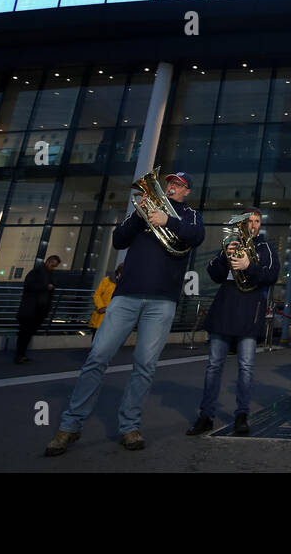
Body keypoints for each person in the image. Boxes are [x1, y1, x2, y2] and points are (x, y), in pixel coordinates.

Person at [45, 170, 205, 456]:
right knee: (97, 357)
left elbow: (197, 236)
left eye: (178, 185)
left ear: (186, 191)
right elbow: (119, 240)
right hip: (126, 296)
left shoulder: (190, 215)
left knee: (145, 366)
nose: (171, 186)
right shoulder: (142, 212)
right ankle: (70, 426)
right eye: (169, 182)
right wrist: (139, 216)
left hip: (162, 301)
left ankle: (129, 426)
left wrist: (167, 220)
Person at [187, 208, 281, 437]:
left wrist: (249, 266)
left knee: (246, 367)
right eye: (249, 221)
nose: (253, 225)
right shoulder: (231, 243)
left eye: (257, 221)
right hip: (225, 305)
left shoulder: (266, 247)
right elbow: (214, 274)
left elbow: (271, 276)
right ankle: (205, 416)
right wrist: (224, 258)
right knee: (213, 366)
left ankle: (242, 415)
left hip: (250, 309)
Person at [15, 255, 60, 364]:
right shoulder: (36, 272)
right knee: (25, 332)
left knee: (28, 332)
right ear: (48, 262)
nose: (53, 268)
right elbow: (28, 286)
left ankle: (21, 354)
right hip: (32, 307)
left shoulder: (47, 273)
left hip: (39, 308)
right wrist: (46, 287)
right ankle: (20, 354)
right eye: (52, 265)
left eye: (55, 266)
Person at [88, 264, 122, 332]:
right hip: (101, 317)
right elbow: (97, 294)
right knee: (96, 338)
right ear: (118, 271)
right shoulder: (107, 280)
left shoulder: (125, 284)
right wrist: (101, 307)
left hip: (114, 319)